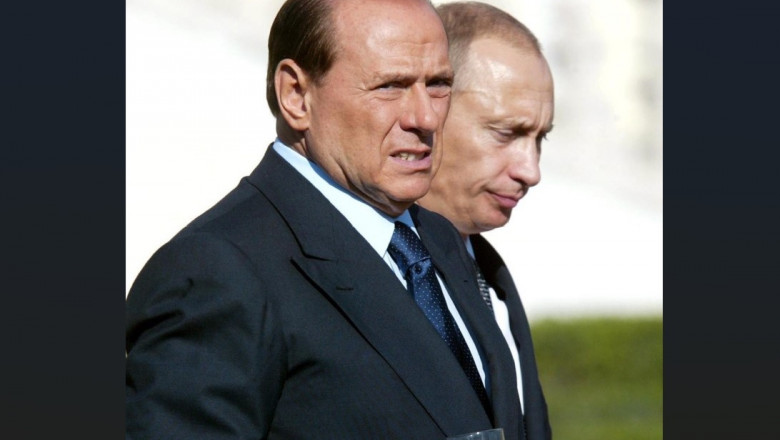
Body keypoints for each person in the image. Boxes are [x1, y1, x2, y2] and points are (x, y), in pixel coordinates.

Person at [125, 0, 525, 438]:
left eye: (439, 84)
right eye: (390, 86)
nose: (425, 117)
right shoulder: (218, 273)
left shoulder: (438, 239)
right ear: (296, 95)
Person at [417, 2, 556, 439]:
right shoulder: (358, 268)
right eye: (506, 133)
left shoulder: (489, 279)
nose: (530, 170)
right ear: (431, 110)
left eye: (539, 138)